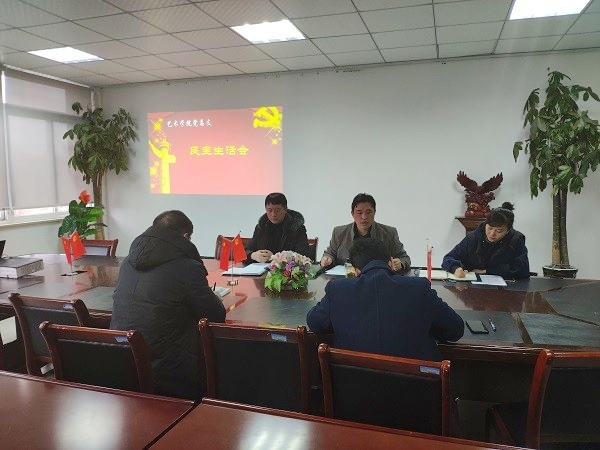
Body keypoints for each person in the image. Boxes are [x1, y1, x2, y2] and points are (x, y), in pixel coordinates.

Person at [110, 210, 226, 400]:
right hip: (169, 370)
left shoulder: (127, 262)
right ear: (185, 237)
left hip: (122, 361)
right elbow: (216, 315)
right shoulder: (187, 267)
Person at [307, 238, 464, 361]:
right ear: (390, 262)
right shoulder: (419, 288)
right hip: (416, 390)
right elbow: (455, 329)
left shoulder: (337, 290)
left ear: (356, 271)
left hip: (349, 390)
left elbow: (315, 322)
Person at [320, 193, 410, 272]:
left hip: (378, 280)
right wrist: (327, 259)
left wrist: (400, 263)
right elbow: (330, 254)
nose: (364, 217)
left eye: (368, 212)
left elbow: (405, 258)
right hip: (347, 281)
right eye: (359, 213)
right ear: (352, 214)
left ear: (374, 212)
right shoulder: (339, 233)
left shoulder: (389, 233)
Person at [441, 202, 530, 279]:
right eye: (490, 228)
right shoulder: (474, 237)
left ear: (508, 230)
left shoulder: (516, 239)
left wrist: (487, 271)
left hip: (505, 289)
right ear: (486, 224)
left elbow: (522, 270)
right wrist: (456, 268)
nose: (492, 234)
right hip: (472, 288)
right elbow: (448, 258)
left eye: (499, 231)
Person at [246, 192, 311, 262]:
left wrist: (275, 257)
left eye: (277, 210)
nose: (273, 214)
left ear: (285, 209)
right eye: (269, 210)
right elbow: (246, 250)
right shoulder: (261, 227)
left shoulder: (297, 228)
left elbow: (302, 256)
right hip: (262, 267)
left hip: (286, 268)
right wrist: (252, 255)